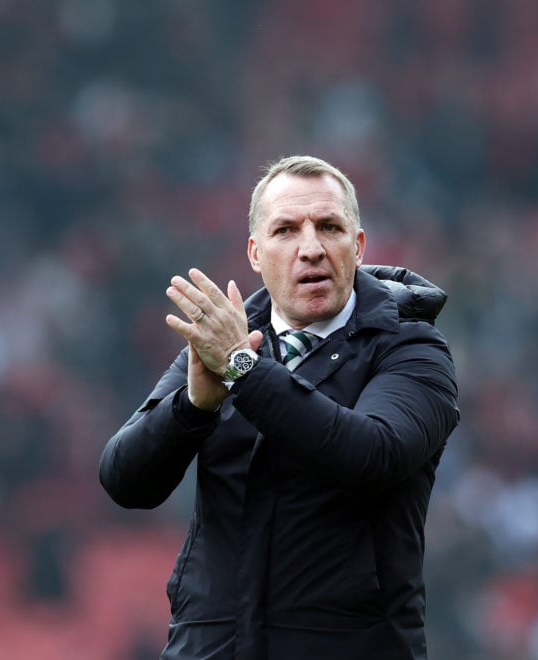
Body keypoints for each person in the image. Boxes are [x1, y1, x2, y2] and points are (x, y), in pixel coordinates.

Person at [99, 155, 460, 659]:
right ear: (255, 253)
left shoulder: (412, 350)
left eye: (329, 227)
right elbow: (124, 480)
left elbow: (371, 456)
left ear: (357, 247)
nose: (310, 248)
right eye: (286, 230)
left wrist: (244, 371)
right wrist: (192, 407)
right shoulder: (225, 343)